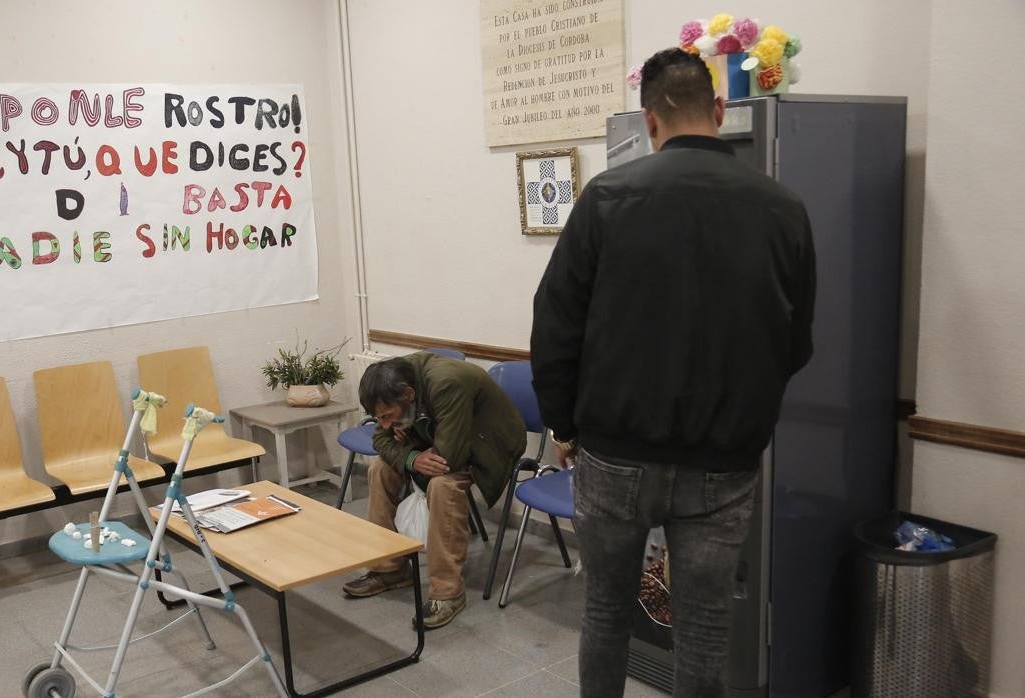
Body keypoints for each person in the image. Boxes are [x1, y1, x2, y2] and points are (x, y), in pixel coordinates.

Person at [530, 47, 816, 697]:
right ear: (719, 110)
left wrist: (563, 423)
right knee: (705, 625)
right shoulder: (781, 208)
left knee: (606, 612)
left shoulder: (607, 198)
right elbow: (797, 343)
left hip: (614, 454)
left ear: (649, 120)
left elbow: (555, 325)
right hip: (725, 460)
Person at [341, 353, 525, 629]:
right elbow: (380, 437)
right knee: (379, 469)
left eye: (389, 416)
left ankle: (447, 592)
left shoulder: (447, 382)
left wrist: (410, 443)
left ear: (409, 394)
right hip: (440, 438)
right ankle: (389, 569)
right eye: (381, 417)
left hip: (488, 446)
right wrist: (411, 456)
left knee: (443, 485)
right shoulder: (396, 384)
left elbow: (449, 456)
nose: (387, 423)